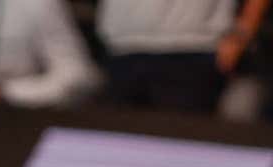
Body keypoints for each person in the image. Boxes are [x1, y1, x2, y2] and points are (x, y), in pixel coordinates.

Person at [97, 0, 271, 114]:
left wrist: (241, 33)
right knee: (118, 154)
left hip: (192, 48)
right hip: (120, 46)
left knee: (178, 153)